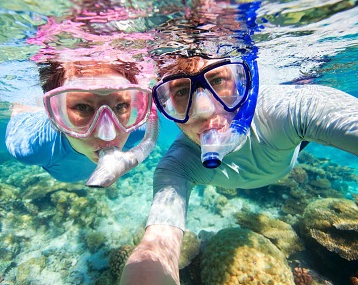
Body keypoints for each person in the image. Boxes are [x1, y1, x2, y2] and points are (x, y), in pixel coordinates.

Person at [119, 54, 358, 285]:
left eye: (218, 80)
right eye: (181, 91)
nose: (204, 110)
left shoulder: (285, 110)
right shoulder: (177, 166)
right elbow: (156, 249)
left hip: (291, 146)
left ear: (243, 81)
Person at [5, 59, 158, 187]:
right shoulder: (31, 146)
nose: (108, 135)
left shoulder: (137, 128)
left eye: (121, 106)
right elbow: (19, 114)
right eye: (83, 107)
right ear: (53, 112)